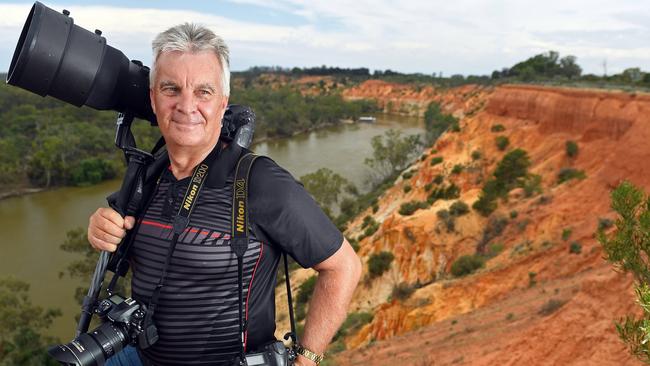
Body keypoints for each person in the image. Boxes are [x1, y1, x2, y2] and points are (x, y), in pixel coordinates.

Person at [88, 23, 361, 366]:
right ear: (153, 99)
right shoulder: (147, 173)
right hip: (138, 356)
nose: (187, 106)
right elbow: (115, 235)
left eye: (203, 91)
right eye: (171, 88)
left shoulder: (260, 182)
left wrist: (306, 358)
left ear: (223, 103)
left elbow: (343, 267)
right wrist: (98, 229)